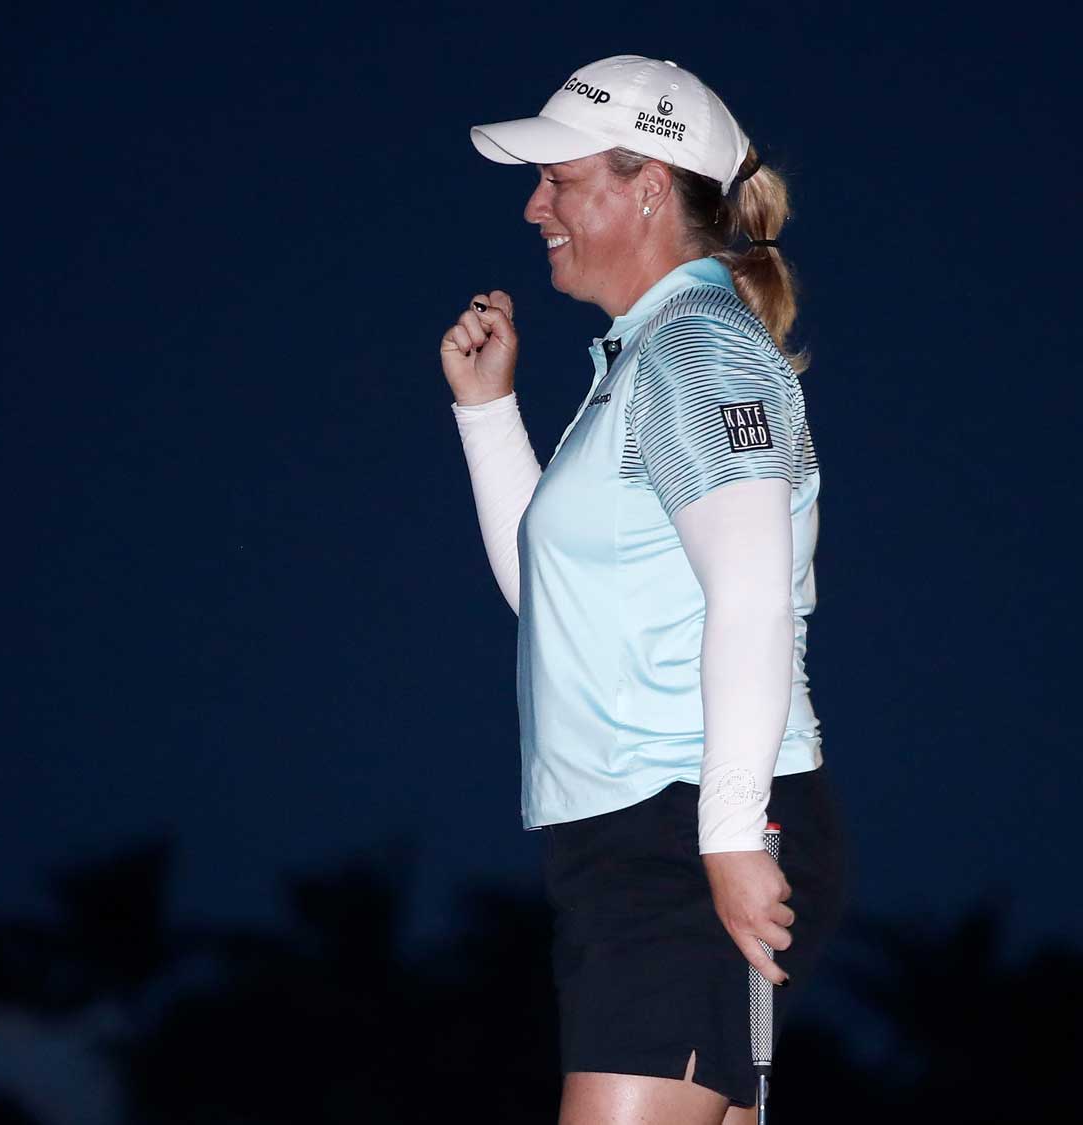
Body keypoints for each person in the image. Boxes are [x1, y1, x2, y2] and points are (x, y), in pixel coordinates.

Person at [441, 55, 849, 1124]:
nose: (534, 207)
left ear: (647, 186)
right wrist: (486, 416)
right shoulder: (642, 360)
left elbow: (752, 599)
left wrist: (723, 838)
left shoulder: (699, 352)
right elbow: (554, 603)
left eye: (558, 179)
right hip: (635, 837)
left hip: (686, 832)